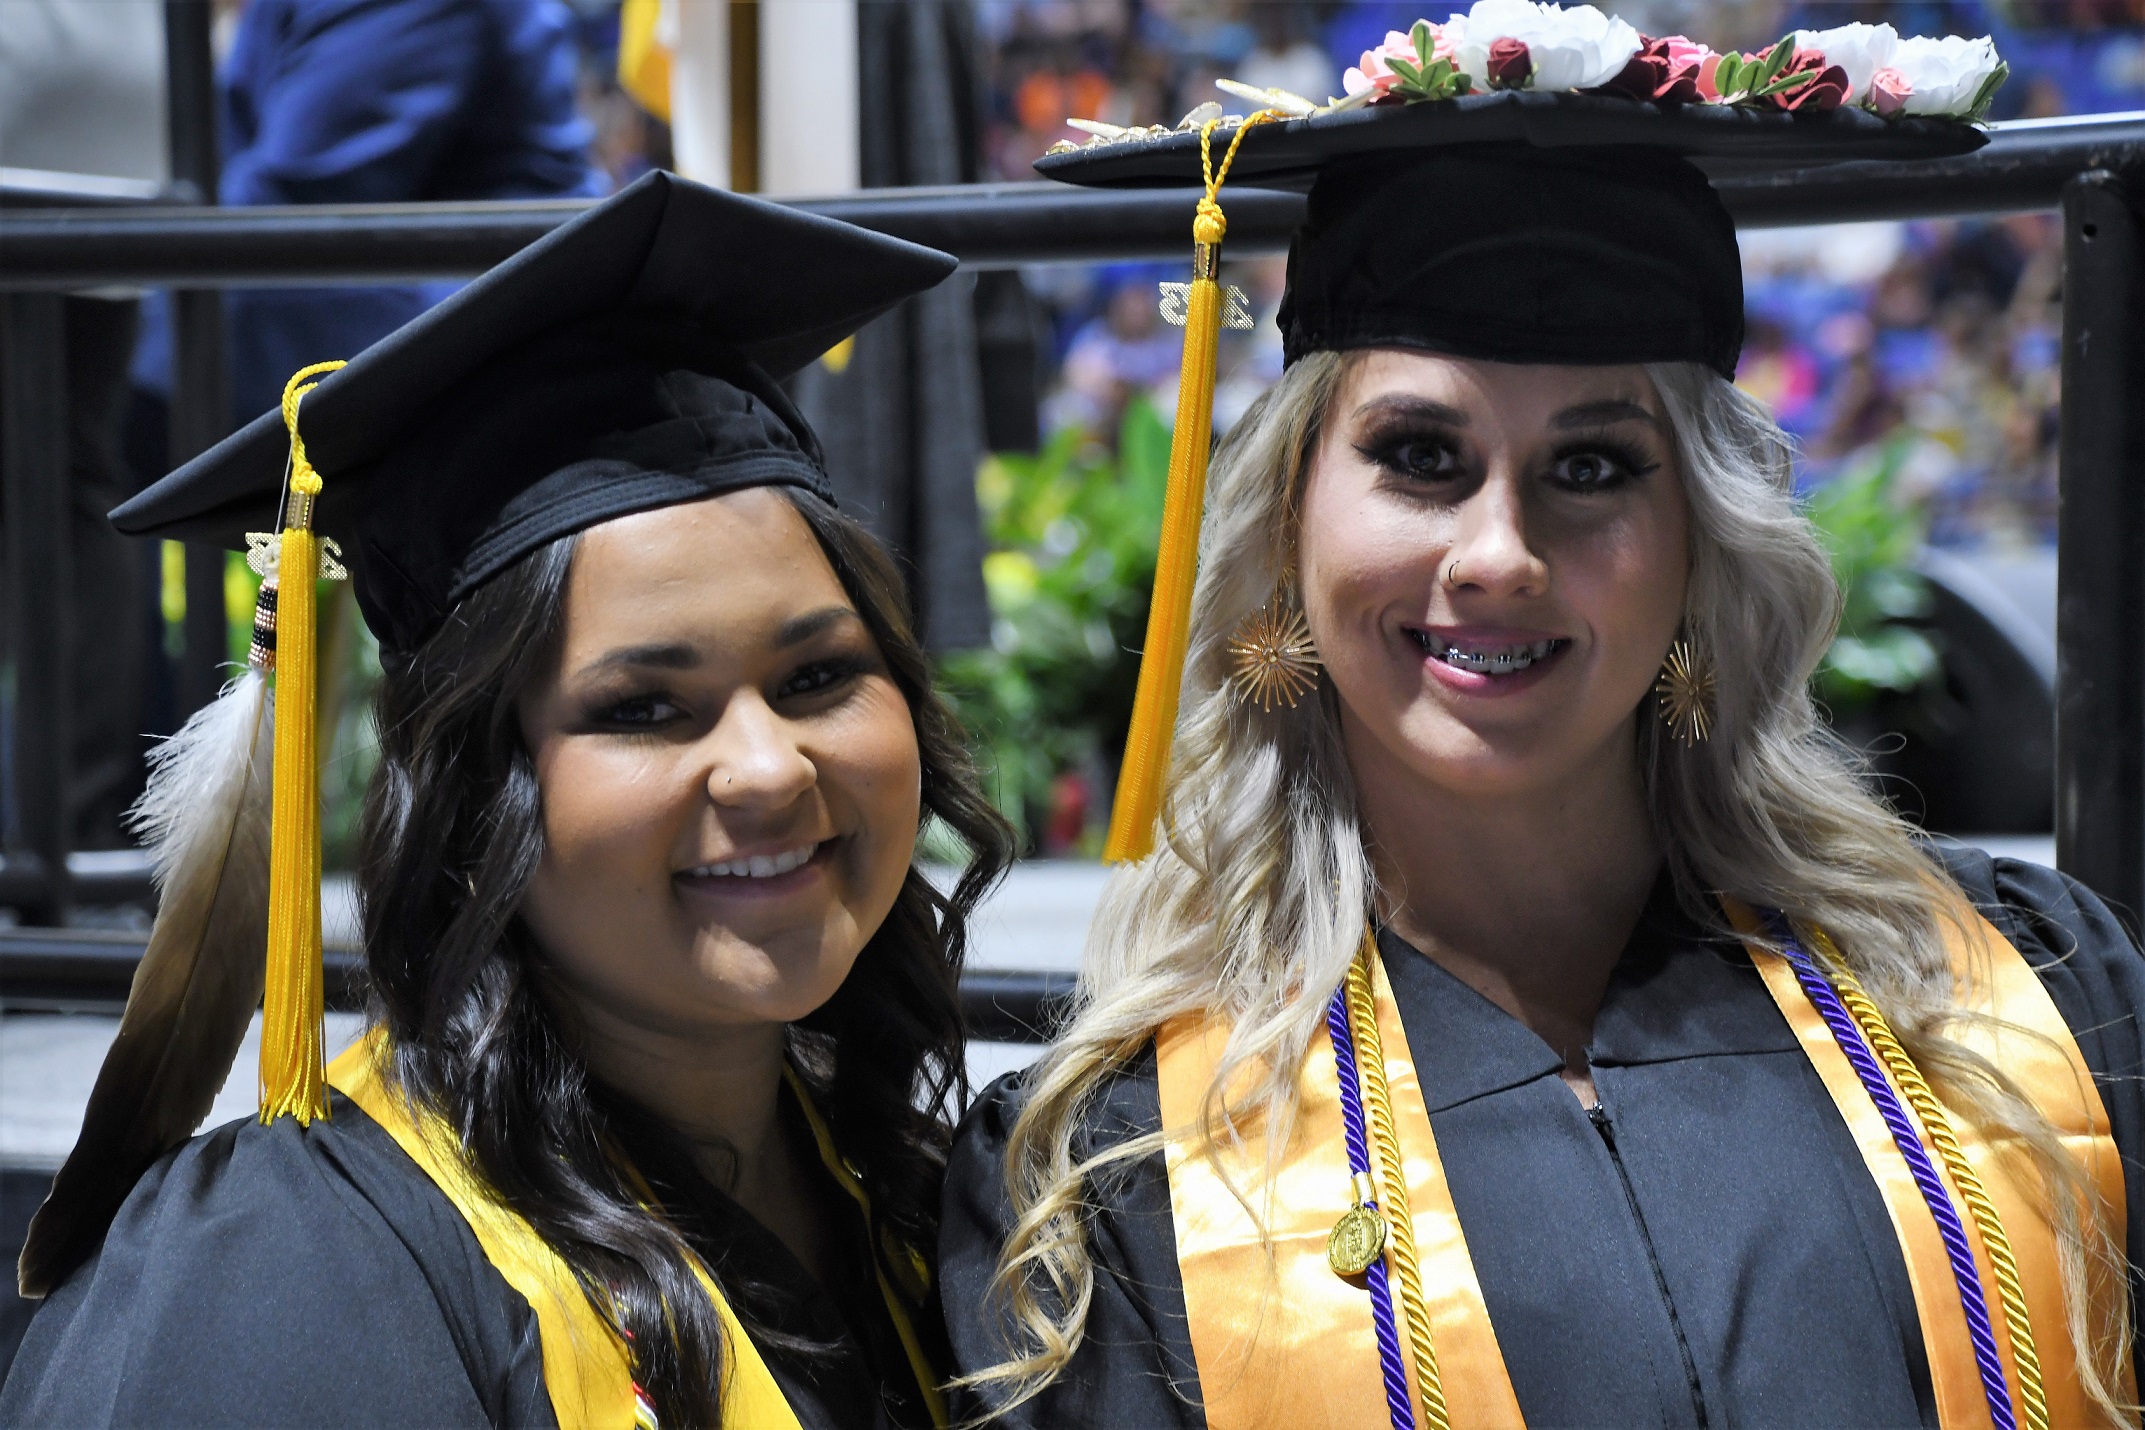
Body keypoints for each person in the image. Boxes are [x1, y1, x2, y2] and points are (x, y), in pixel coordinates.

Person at [940, 14, 2141, 1429]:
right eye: (1420, 454)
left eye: (1592, 465)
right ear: (1289, 520)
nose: (1499, 555)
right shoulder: (1120, 1179)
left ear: (1699, 540)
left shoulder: (2018, 999)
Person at [2, 171, 1013, 1429]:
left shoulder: (923, 1203)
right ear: (473, 793)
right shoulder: (293, 1283)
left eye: (818, 675)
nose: (768, 766)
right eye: (644, 706)